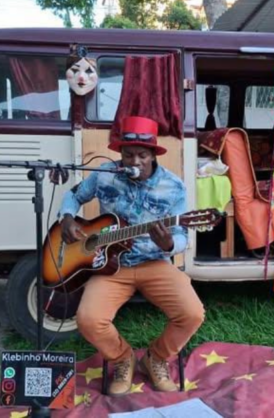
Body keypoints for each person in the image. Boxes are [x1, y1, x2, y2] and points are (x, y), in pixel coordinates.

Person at [57, 116, 204, 396]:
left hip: (154, 264)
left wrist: (169, 243)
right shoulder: (104, 174)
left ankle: (155, 358)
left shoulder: (173, 187)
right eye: (128, 155)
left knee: (192, 313)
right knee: (88, 319)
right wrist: (66, 216)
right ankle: (122, 358)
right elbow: (74, 195)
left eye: (142, 155)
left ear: (153, 155)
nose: (134, 162)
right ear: (119, 153)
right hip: (111, 267)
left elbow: (184, 237)